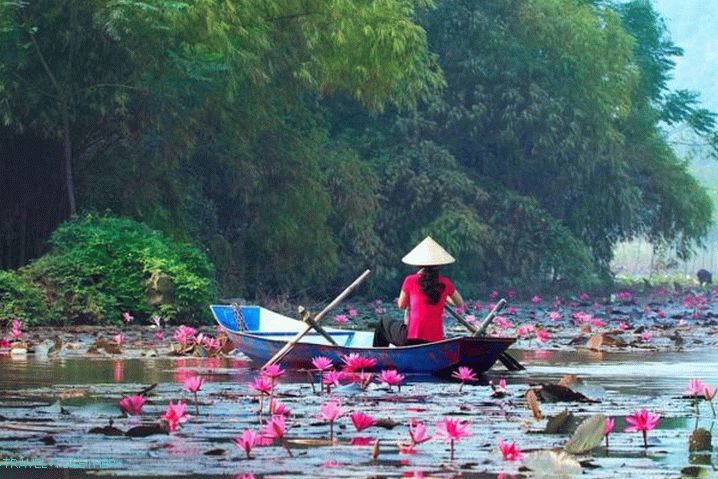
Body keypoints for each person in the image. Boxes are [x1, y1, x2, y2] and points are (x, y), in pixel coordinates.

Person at [373, 236, 463, 347]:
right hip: (435, 341)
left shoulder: (410, 280)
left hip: (411, 338)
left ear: (418, 264)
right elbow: (459, 302)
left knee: (383, 321)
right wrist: (444, 296)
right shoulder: (446, 283)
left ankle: (380, 356)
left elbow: (401, 305)